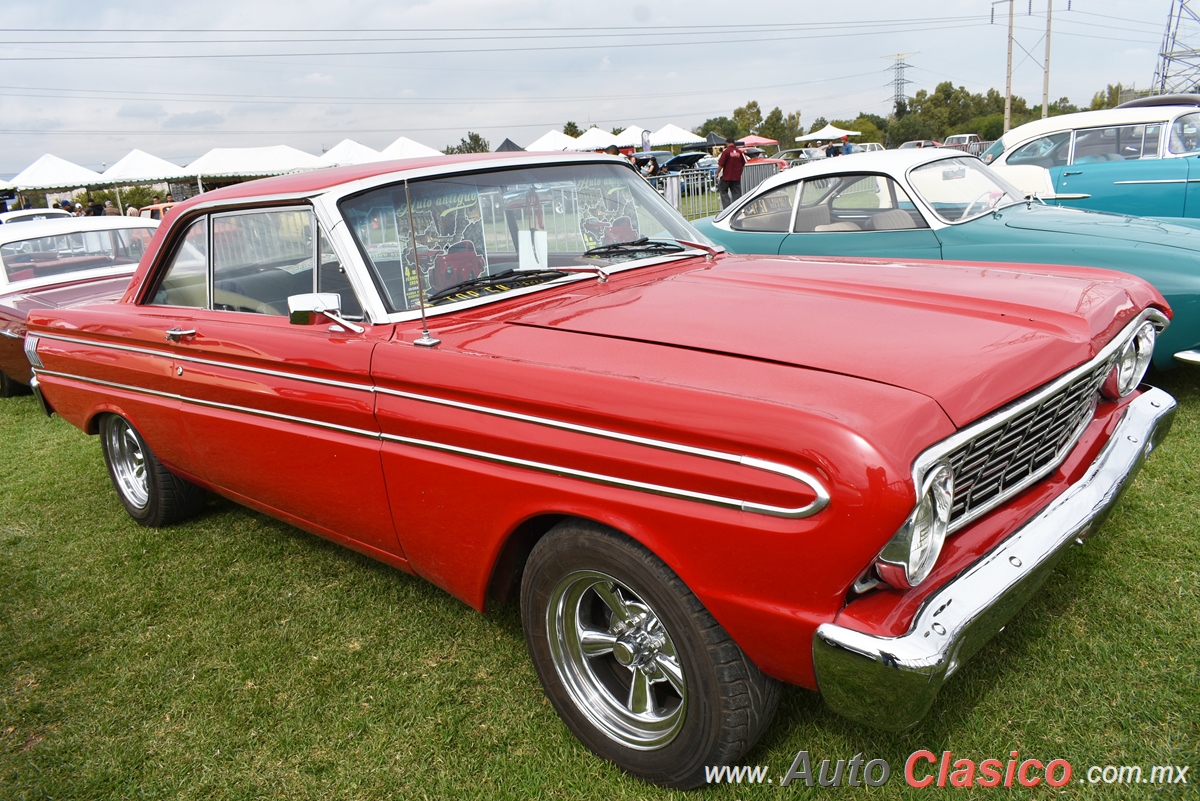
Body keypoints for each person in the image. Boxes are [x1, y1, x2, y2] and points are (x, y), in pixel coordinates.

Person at [717, 137, 746, 209]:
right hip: (736, 177)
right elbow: (743, 164)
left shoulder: (726, 152)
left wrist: (717, 172)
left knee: (723, 191)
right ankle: (737, 209)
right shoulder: (739, 152)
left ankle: (727, 208)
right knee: (737, 194)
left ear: (727, 143)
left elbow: (721, 164)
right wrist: (740, 173)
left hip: (726, 177)